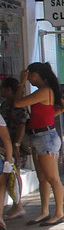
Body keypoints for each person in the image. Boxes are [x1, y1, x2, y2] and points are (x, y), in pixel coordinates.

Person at [15, 62, 64, 226]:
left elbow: (17, 103)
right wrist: (49, 117)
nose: (29, 78)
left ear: (36, 74)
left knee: (52, 177)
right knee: (42, 178)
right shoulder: (44, 91)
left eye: (30, 75)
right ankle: (44, 211)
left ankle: (59, 212)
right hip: (39, 135)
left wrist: (21, 83)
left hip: (46, 137)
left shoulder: (45, 91)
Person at [0, 78, 30, 221]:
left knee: (14, 173)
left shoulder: (18, 104)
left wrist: (16, 144)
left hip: (13, 144)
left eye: (3, 88)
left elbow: (21, 125)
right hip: (7, 145)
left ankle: (18, 205)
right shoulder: (7, 104)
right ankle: (16, 204)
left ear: (9, 89)